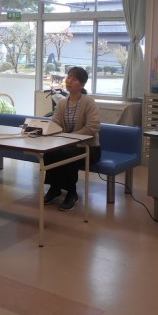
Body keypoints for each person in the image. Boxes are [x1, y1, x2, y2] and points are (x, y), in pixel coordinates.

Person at [43, 66, 101, 211]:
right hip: (66, 144)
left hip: (89, 148)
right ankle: (54, 188)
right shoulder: (62, 103)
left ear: (82, 84)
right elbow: (55, 123)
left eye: (74, 79)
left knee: (67, 155)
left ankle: (72, 193)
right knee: (50, 152)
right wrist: (46, 130)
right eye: (68, 77)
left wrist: (70, 138)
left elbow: (92, 127)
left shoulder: (89, 102)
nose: (69, 81)